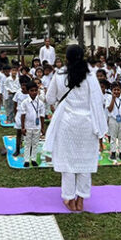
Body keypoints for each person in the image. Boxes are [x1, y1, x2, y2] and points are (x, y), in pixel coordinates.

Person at [45, 45, 108, 212]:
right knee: (85, 163)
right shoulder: (91, 75)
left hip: (67, 124)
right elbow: (98, 100)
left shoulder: (59, 75)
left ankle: (69, 199)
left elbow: (49, 98)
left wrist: (62, 100)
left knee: (68, 164)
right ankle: (81, 199)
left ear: (66, 58)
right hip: (87, 124)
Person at [20, 81, 45, 167]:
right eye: (31, 90)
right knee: (27, 143)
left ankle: (33, 159)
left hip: (37, 126)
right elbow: (22, 115)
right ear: (28, 91)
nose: (34, 92)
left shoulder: (40, 103)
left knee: (35, 143)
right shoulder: (25, 102)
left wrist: (42, 127)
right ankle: (26, 160)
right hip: (28, 126)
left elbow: (42, 116)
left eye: (35, 90)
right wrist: (23, 127)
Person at [106, 83, 121, 161]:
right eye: (114, 90)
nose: (116, 91)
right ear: (111, 91)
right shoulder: (109, 98)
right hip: (113, 120)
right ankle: (113, 152)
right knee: (113, 136)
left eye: (118, 90)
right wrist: (113, 99)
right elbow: (110, 109)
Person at [12, 75, 32, 157]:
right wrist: (15, 115)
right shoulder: (18, 93)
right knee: (19, 133)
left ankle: (29, 150)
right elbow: (15, 105)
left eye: (25, 84)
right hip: (19, 115)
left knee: (29, 134)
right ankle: (17, 149)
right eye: (22, 85)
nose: (23, 86)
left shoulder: (31, 94)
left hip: (28, 116)